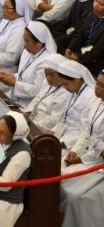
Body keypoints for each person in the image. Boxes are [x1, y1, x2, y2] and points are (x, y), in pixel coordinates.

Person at [59, 67, 104, 227]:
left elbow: (101, 149)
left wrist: (82, 158)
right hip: (87, 155)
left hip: (98, 164)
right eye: (97, 83)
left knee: (74, 194)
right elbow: (85, 132)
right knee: (58, 173)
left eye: (101, 86)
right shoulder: (97, 103)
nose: (97, 88)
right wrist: (74, 151)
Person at [0, 21, 56, 107]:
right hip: (15, 97)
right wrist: (12, 76)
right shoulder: (27, 52)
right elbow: (23, 75)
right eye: (24, 39)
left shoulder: (46, 62)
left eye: (27, 41)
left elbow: (37, 91)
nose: (24, 44)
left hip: (28, 104)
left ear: (39, 43)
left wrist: (14, 83)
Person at [55, 60, 98, 150]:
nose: (64, 87)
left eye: (65, 84)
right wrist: (53, 133)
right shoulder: (73, 90)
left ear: (77, 80)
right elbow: (65, 118)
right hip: (63, 135)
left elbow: (86, 132)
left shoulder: (90, 97)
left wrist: (64, 144)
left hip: (75, 143)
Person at [23, 54, 71, 131]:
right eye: (46, 74)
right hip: (31, 120)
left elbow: (54, 120)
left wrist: (33, 125)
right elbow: (37, 99)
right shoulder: (46, 82)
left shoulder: (67, 91)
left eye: (51, 75)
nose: (47, 78)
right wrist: (26, 114)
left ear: (61, 74)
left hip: (43, 127)